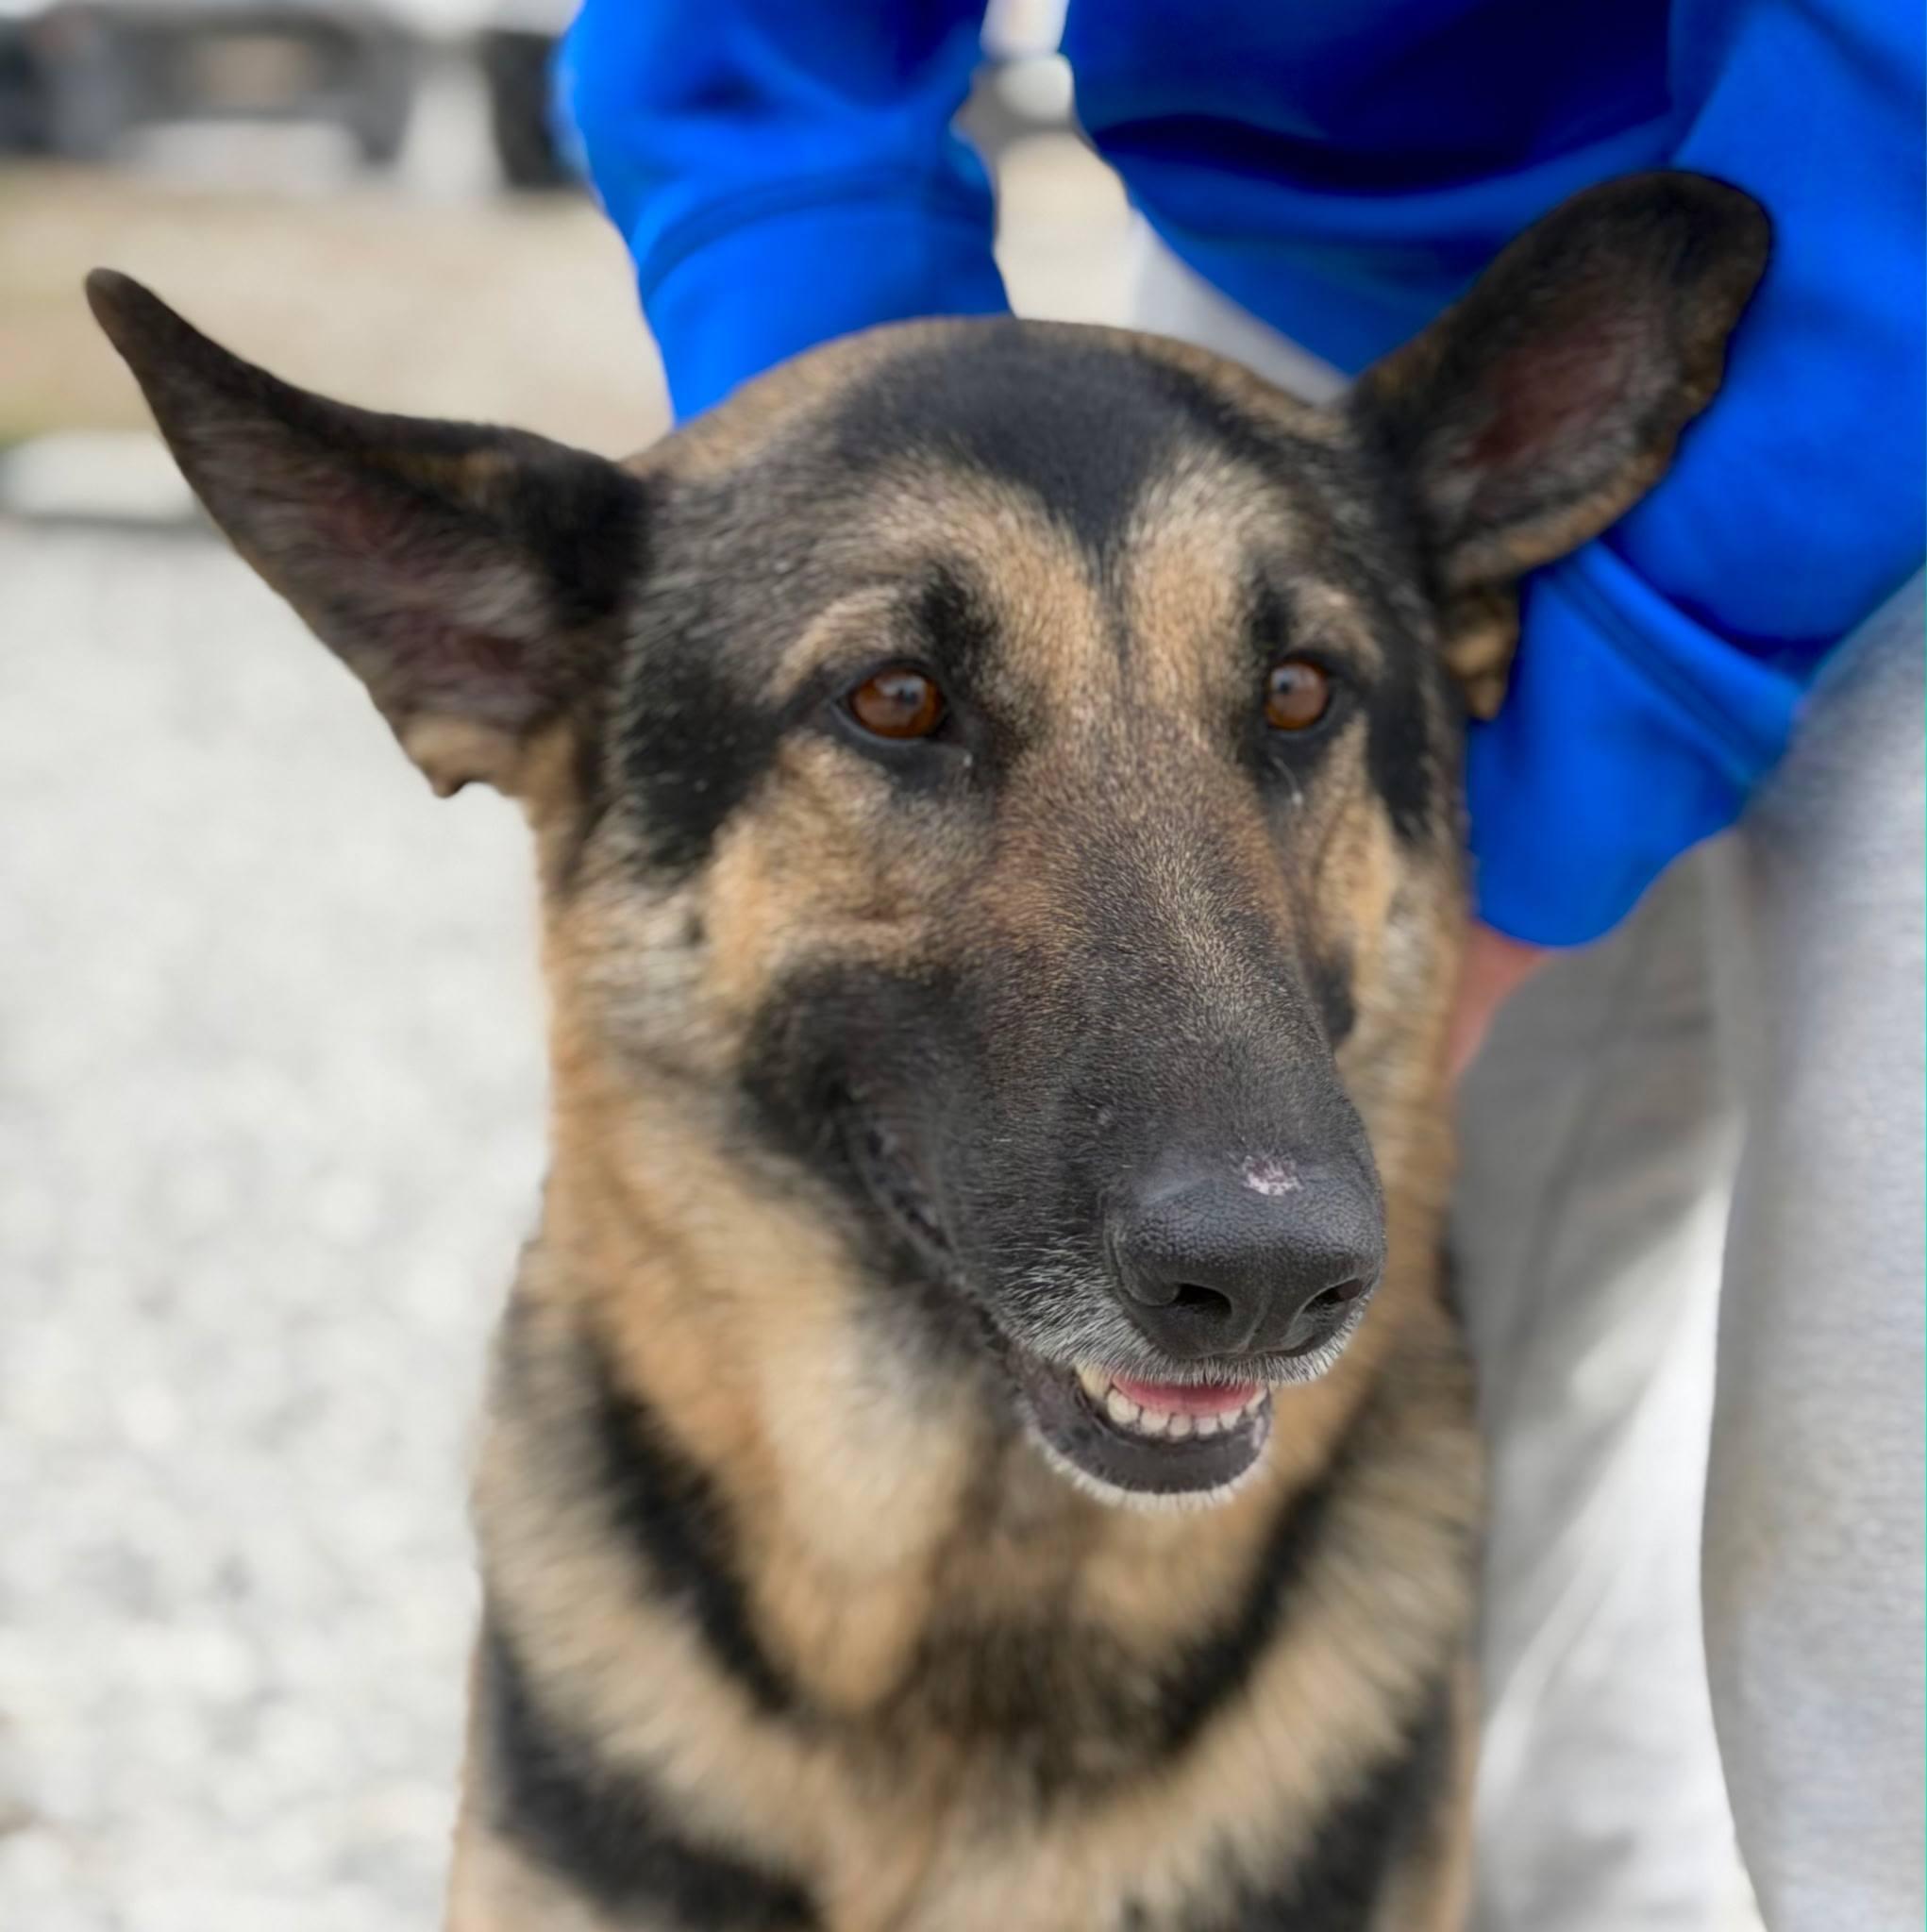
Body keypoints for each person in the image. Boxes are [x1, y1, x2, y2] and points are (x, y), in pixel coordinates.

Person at [553, 6, 1925, 1927]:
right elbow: (759, 44)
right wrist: (879, 538)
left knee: (1883, 1577)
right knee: (1447, 1529)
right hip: (1296, 304)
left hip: (1899, 224)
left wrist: (1513, 867)